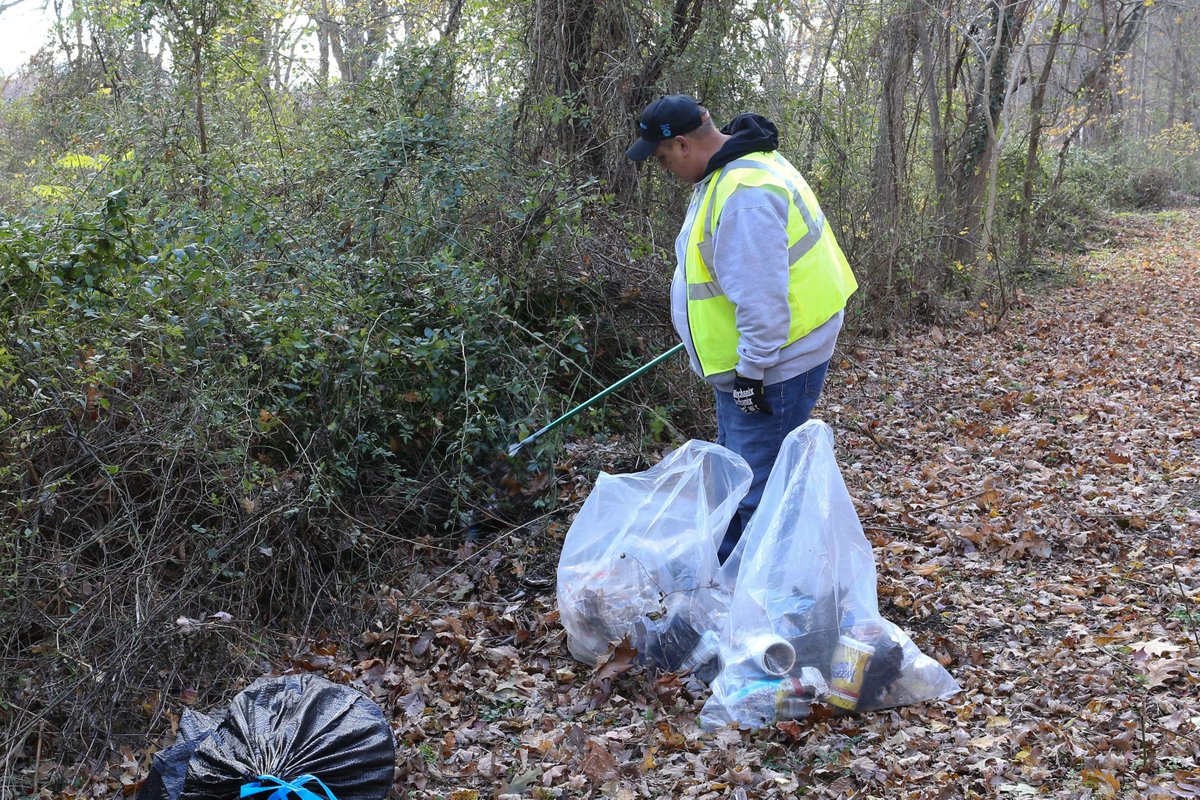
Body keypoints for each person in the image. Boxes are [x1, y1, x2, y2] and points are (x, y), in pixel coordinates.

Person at [626, 94, 857, 562]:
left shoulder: (743, 194)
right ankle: (734, 580)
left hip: (773, 366)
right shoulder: (734, 170)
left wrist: (751, 371)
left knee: (755, 489)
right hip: (759, 361)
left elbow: (762, 301)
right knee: (738, 473)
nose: (663, 166)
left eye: (663, 156)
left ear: (686, 144)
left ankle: (744, 604)